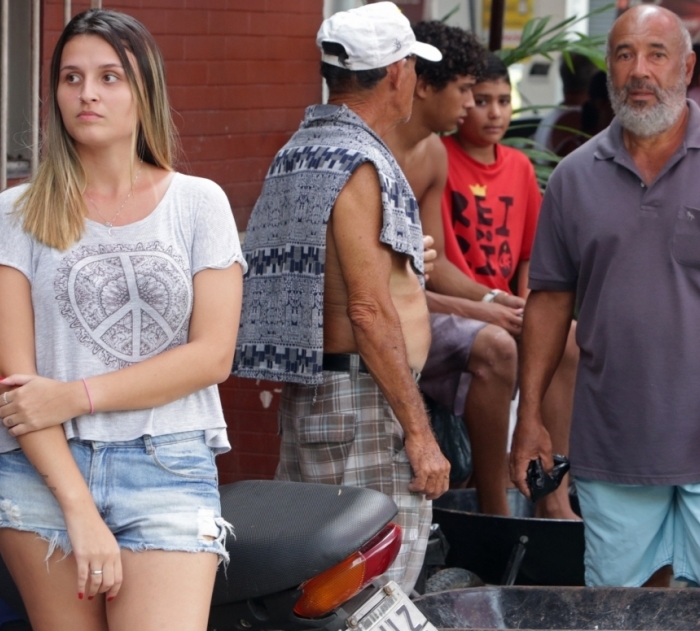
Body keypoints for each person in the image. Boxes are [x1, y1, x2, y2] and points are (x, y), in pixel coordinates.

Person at [0, 9, 245, 630]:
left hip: (168, 463)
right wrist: (80, 512)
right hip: (42, 475)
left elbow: (211, 357)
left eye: (109, 76)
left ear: (145, 89)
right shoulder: (16, 214)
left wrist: (76, 395)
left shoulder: (199, 204)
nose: (87, 93)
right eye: (71, 77)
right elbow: (16, 386)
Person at [513, 3, 700, 589]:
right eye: (624, 55)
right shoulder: (573, 177)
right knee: (618, 608)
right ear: (610, 70)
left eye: (656, 54)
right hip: (616, 444)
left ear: (688, 67)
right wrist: (531, 416)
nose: (638, 70)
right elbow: (548, 301)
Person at [234, 2, 450, 589]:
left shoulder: (298, 150)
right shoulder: (358, 160)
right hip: (361, 399)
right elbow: (366, 308)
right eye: (413, 69)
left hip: (321, 399)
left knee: (325, 590)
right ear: (398, 73)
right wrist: (421, 434)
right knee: (372, 593)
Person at [436, 54, 582, 520]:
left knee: (569, 338)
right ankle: (496, 501)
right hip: (461, 305)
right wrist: (498, 305)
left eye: (503, 101)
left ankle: (553, 492)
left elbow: (529, 256)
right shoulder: (440, 158)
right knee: (507, 346)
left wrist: (529, 306)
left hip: (507, 301)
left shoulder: (518, 166)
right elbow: (433, 261)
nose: (495, 113)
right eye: (481, 101)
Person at [382, 21, 517, 517]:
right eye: (463, 89)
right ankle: (493, 512)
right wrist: (480, 312)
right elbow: (377, 288)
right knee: (497, 344)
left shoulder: (433, 152)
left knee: (547, 330)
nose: (469, 103)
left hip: (418, 310)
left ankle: (547, 495)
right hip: (375, 321)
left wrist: (496, 300)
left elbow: (432, 267)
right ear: (422, 84)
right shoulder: (372, 150)